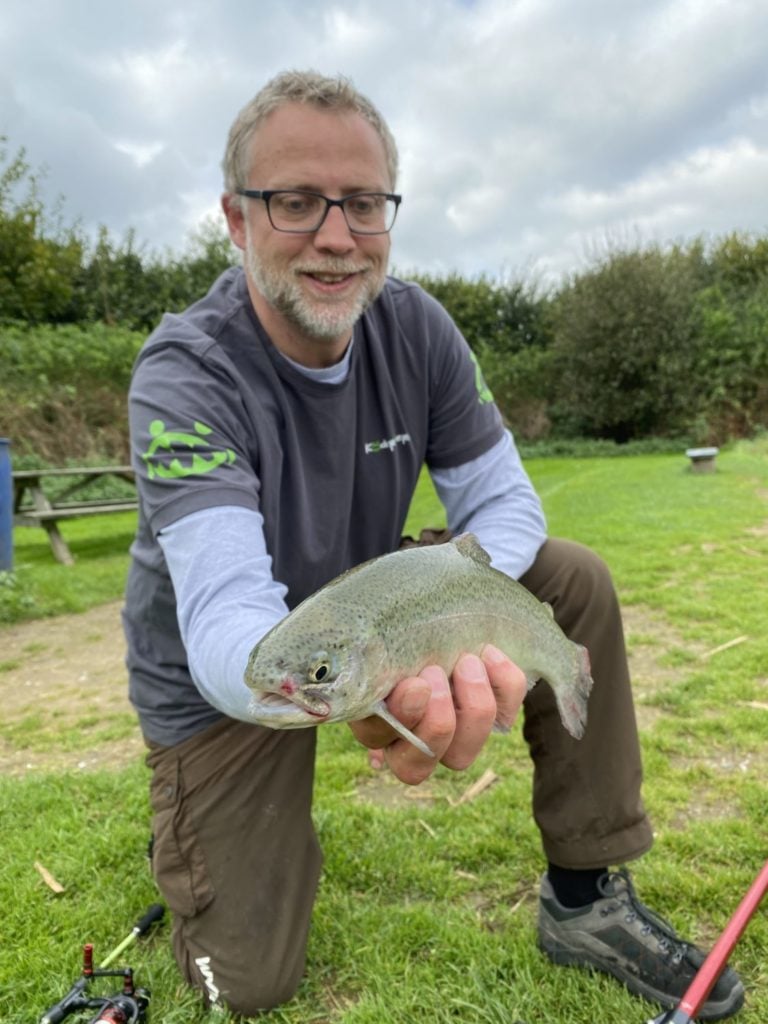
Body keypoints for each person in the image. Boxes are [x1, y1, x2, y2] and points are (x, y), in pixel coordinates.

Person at [122, 70, 744, 1019]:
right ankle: (201, 840)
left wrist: (452, 610)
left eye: (364, 205)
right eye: (295, 202)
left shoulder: (417, 327)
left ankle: (587, 894)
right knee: (249, 982)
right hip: (238, 679)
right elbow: (222, 610)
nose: (336, 236)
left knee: (568, 578)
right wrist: (345, 678)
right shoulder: (185, 375)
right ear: (237, 220)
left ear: (387, 215)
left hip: (377, 609)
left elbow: (505, 503)